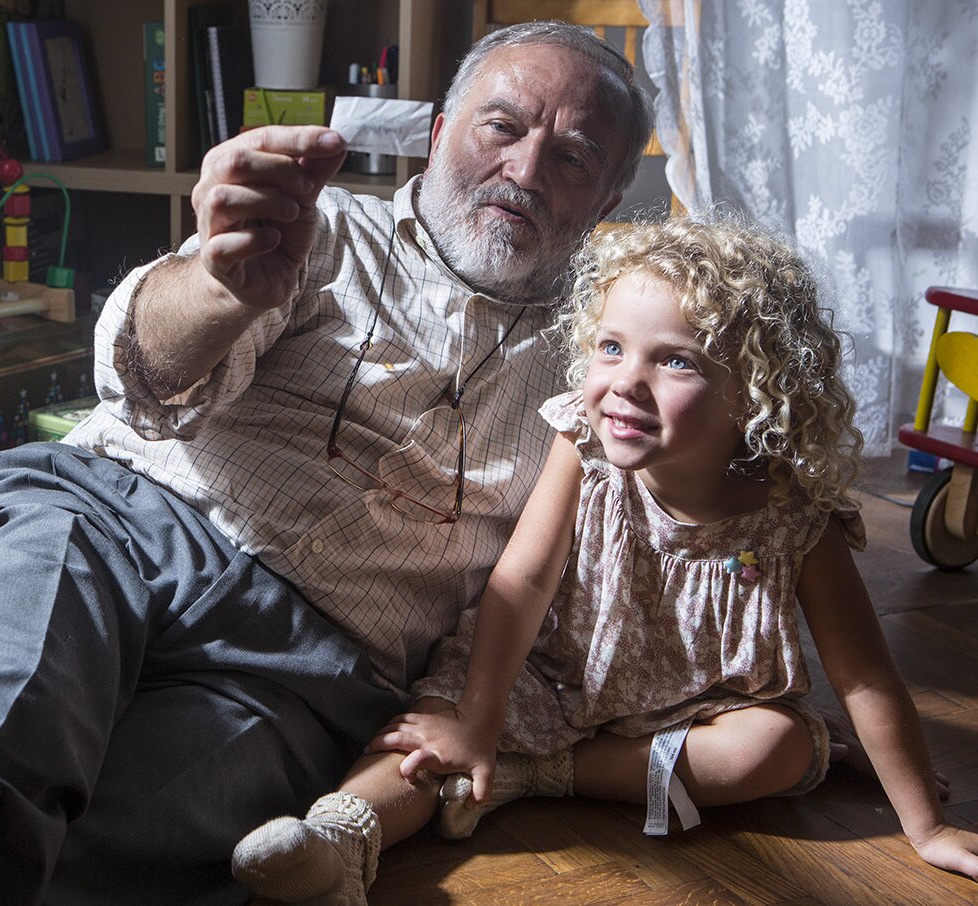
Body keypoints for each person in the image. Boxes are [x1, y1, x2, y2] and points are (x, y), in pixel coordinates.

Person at [0, 21, 651, 905]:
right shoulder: (320, 226)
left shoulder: (604, 358)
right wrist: (218, 291)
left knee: (101, 854)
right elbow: (142, 375)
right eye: (503, 126)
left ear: (607, 203)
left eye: (573, 158)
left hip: (311, 670)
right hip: (111, 522)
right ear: (439, 132)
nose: (525, 170)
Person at [231, 216, 978, 904]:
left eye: (675, 362)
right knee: (435, 733)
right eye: (612, 347)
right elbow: (521, 582)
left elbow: (866, 678)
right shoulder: (583, 448)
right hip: (547, 674)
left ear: (754, 395)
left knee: (778, 747)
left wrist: (925, 827)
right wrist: (482, 720)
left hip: (689, 713)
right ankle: (335, 842)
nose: (624, 381)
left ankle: (534, 776)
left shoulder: (793, 516)